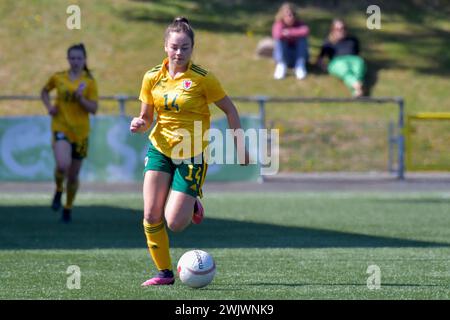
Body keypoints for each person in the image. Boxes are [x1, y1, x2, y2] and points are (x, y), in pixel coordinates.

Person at [130, 17, 249, 286]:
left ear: (192, 48)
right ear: (165, 46)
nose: (179, 53)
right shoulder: (151, 77)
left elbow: (230, 110)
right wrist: (140, 124)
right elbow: (147, 116)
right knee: (150, 214)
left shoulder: (203, 79)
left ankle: (190, 200)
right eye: (174, 47)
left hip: (191, 155)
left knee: (175, 223)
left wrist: (240, 146)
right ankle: (164, 273)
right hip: (159, 148)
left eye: (185, 47)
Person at [41, 43, 98, 222]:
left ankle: (68, 207)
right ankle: (59, 189)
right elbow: (44, 91)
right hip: (61, 127)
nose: (75, 61)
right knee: (62, 165)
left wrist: (81, 99)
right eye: (72, 58)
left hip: (81, 133)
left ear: (84, 60)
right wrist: (49, 107)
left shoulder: (89, 82)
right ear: (68, 59)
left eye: (79, 58)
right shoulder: (58, 78)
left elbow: (94, 108)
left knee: (73, 176)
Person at [315, 19, 366, 97]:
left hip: (354, 59)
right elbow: (320, 59)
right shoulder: (328, 42)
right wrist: (326, 68)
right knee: (344, 69)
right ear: (333, 30)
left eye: (343, 28)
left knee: (358, 66)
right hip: (337, 62)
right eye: (338, 29)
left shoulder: (353, 40)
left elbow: (358, 54)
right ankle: (357, 86)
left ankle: (356, 91)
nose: (341, 31)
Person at [272, 2, 310, 80]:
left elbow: (305, 31)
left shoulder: (299, 24)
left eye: (293, 14)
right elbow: (277, 35)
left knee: (302, 39)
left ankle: (300, 66)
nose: (291, 17)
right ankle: (281, 65)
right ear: (282, 15)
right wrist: (294, 33)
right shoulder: (279, 24)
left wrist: (289, 32)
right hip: (285, 55)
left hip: (298, 56)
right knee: (280, 40)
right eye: (288, 15)